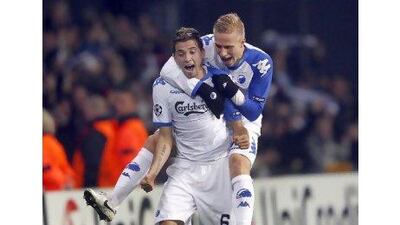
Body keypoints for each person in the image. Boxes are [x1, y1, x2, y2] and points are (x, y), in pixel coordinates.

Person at [84, 27, 249, 224]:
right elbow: (165, 136)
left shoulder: (219, 80)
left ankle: (112, 201)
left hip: (218, 169)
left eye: (192, 52)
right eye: (181, 53)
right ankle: (112, 201)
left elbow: (236, 110)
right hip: (184, 170)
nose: (187, 58)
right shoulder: (162, 87)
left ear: (202, 53)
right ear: (174, 58)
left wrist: (240, 128)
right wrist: (152, 173)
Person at [159, 13, 273, 225]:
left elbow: (254, 111)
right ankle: (117, 197)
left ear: (242, 41)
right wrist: (203, 89)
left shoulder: (261, 62)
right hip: (210, 111)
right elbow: (167, 70)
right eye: (219, 46)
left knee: (238, 163)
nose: (222, 53)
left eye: (229, 47)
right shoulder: (205, 44)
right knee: (156, 138)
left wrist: (233, 94)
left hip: (244, 119)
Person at [71, 95, 117, 187]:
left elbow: (92, 167)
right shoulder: (114, 129)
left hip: (96, 189)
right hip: (111, 185)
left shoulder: (94, 134)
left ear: (92, 109)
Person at [43, 109, 76, 191]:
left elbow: (47, 171)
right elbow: (66, 169)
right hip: (63, 189)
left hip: (51, 191)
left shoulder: (44, 143)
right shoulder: (55, 143)